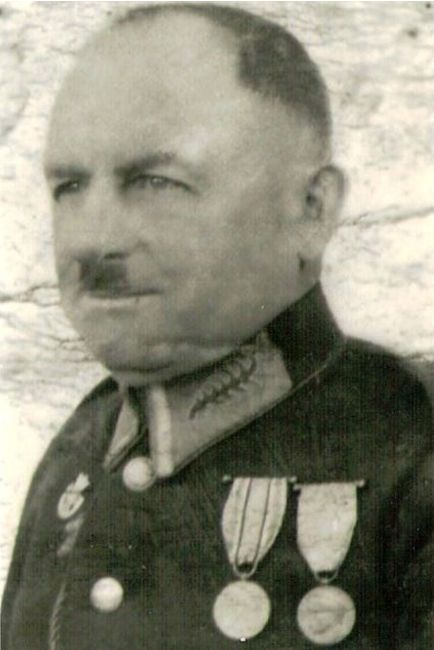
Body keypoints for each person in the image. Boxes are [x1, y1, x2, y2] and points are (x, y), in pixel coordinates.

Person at [2, 3, 433, 649]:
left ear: (310, 209)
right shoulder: (79, 448)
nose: (93, 240)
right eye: (68, 187)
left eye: (155, 181)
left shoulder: (414, 441)